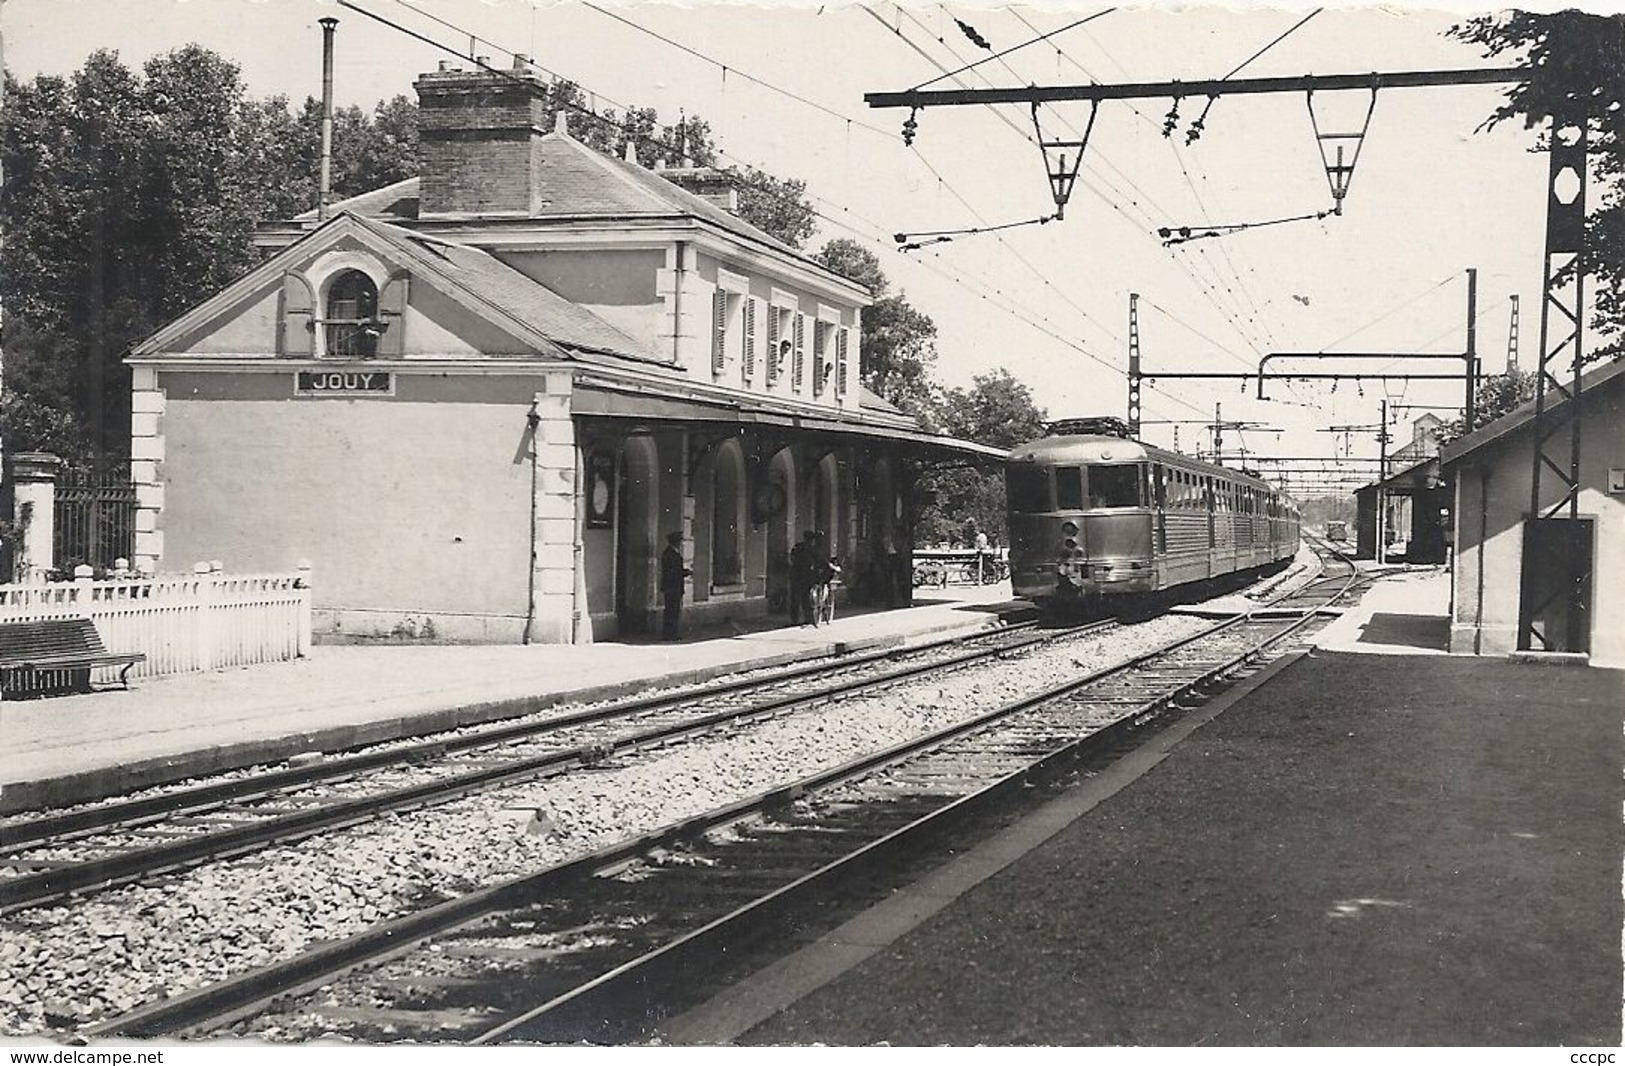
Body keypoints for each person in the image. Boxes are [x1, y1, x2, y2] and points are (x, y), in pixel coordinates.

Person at [660, 531, 690, 640]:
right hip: (672, 587)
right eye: (679, 541)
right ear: (675, 542)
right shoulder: (670, 554)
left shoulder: (671, 553)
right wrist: (685, 572)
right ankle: (670, 634)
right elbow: (673, 571)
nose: (680, 543)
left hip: (672, 586)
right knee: (672, 611)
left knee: (672, 611)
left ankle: (671, 634)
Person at [788, 530, 817, 626]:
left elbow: (792, 557)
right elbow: (820, 559)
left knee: (795, 597)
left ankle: (794, 619)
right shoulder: (811, 549)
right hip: (806, 575)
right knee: (806, 598)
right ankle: (808, 619)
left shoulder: (797, 547)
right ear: (811, 540)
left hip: (795, 574)